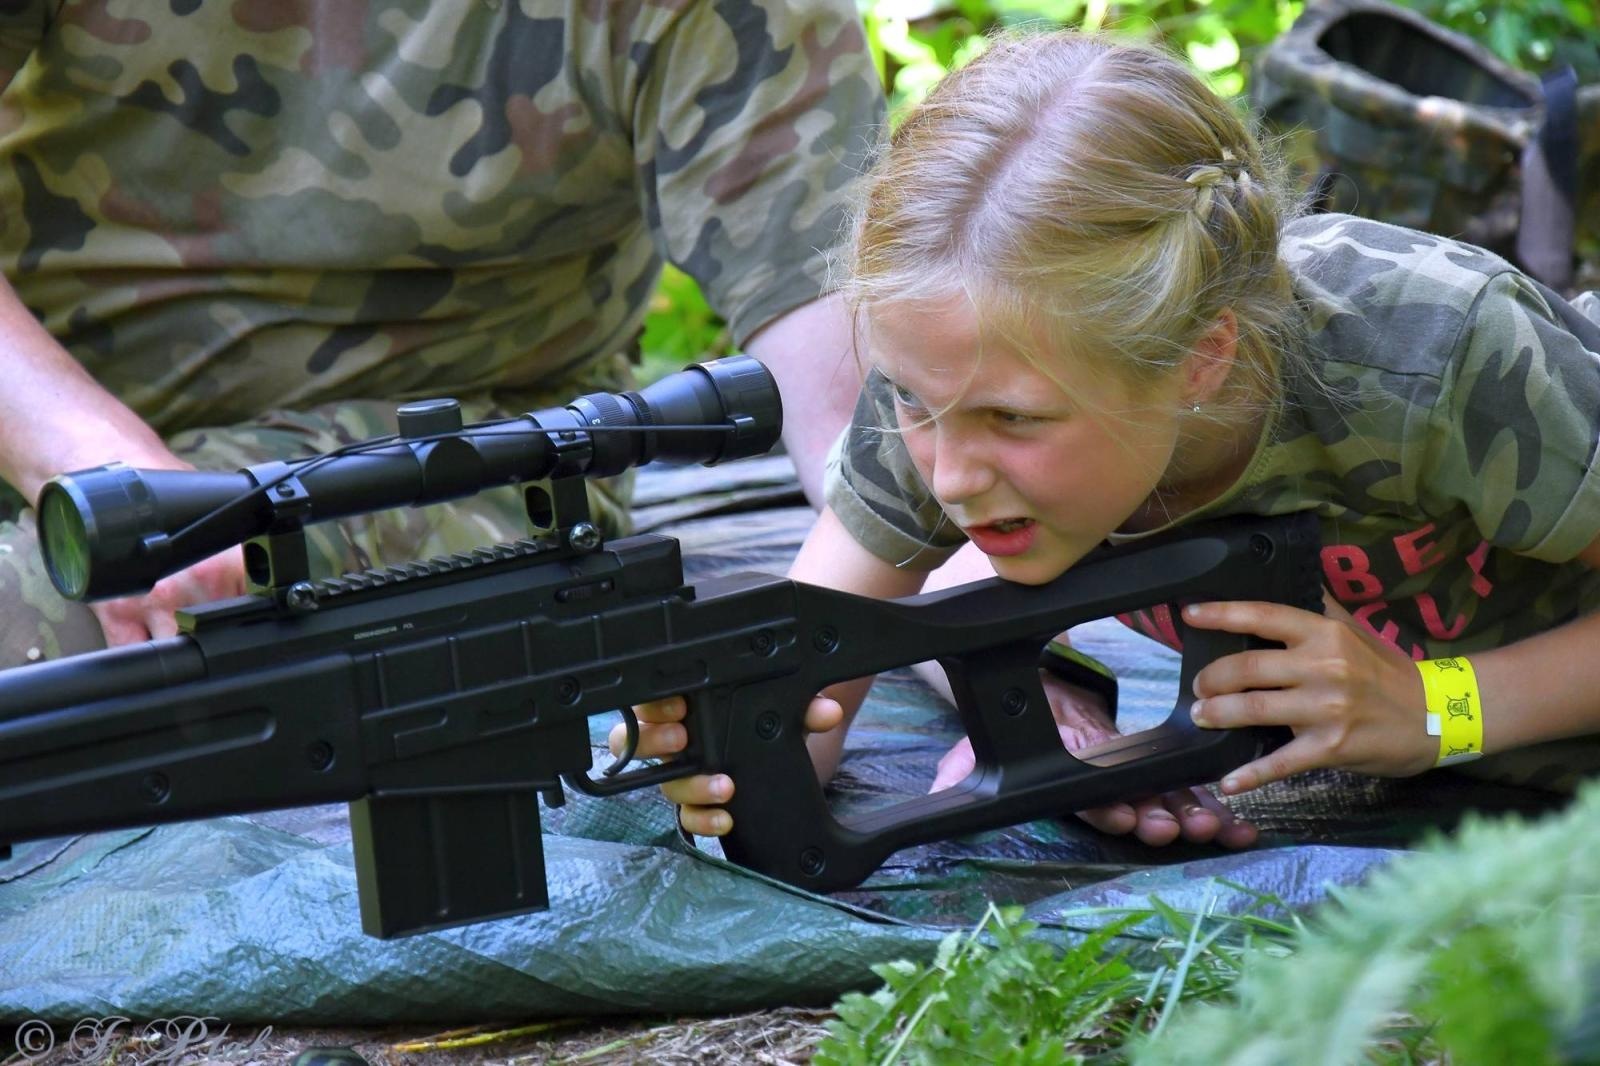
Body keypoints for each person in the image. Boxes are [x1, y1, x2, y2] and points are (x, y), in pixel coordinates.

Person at [629, 29, 1600, 850]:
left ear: (1201, 359)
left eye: (1016, 420)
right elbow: (816, 673)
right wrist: (725, 754)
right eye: (918, 405)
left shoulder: (1436, 354)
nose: (953, 474)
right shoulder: (949, 371)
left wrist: (1442, 709)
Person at [0, 0, 881, 664]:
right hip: (54, 418)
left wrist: (959, 642)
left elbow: (862, 417)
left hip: (424, 451)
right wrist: (100, 462)